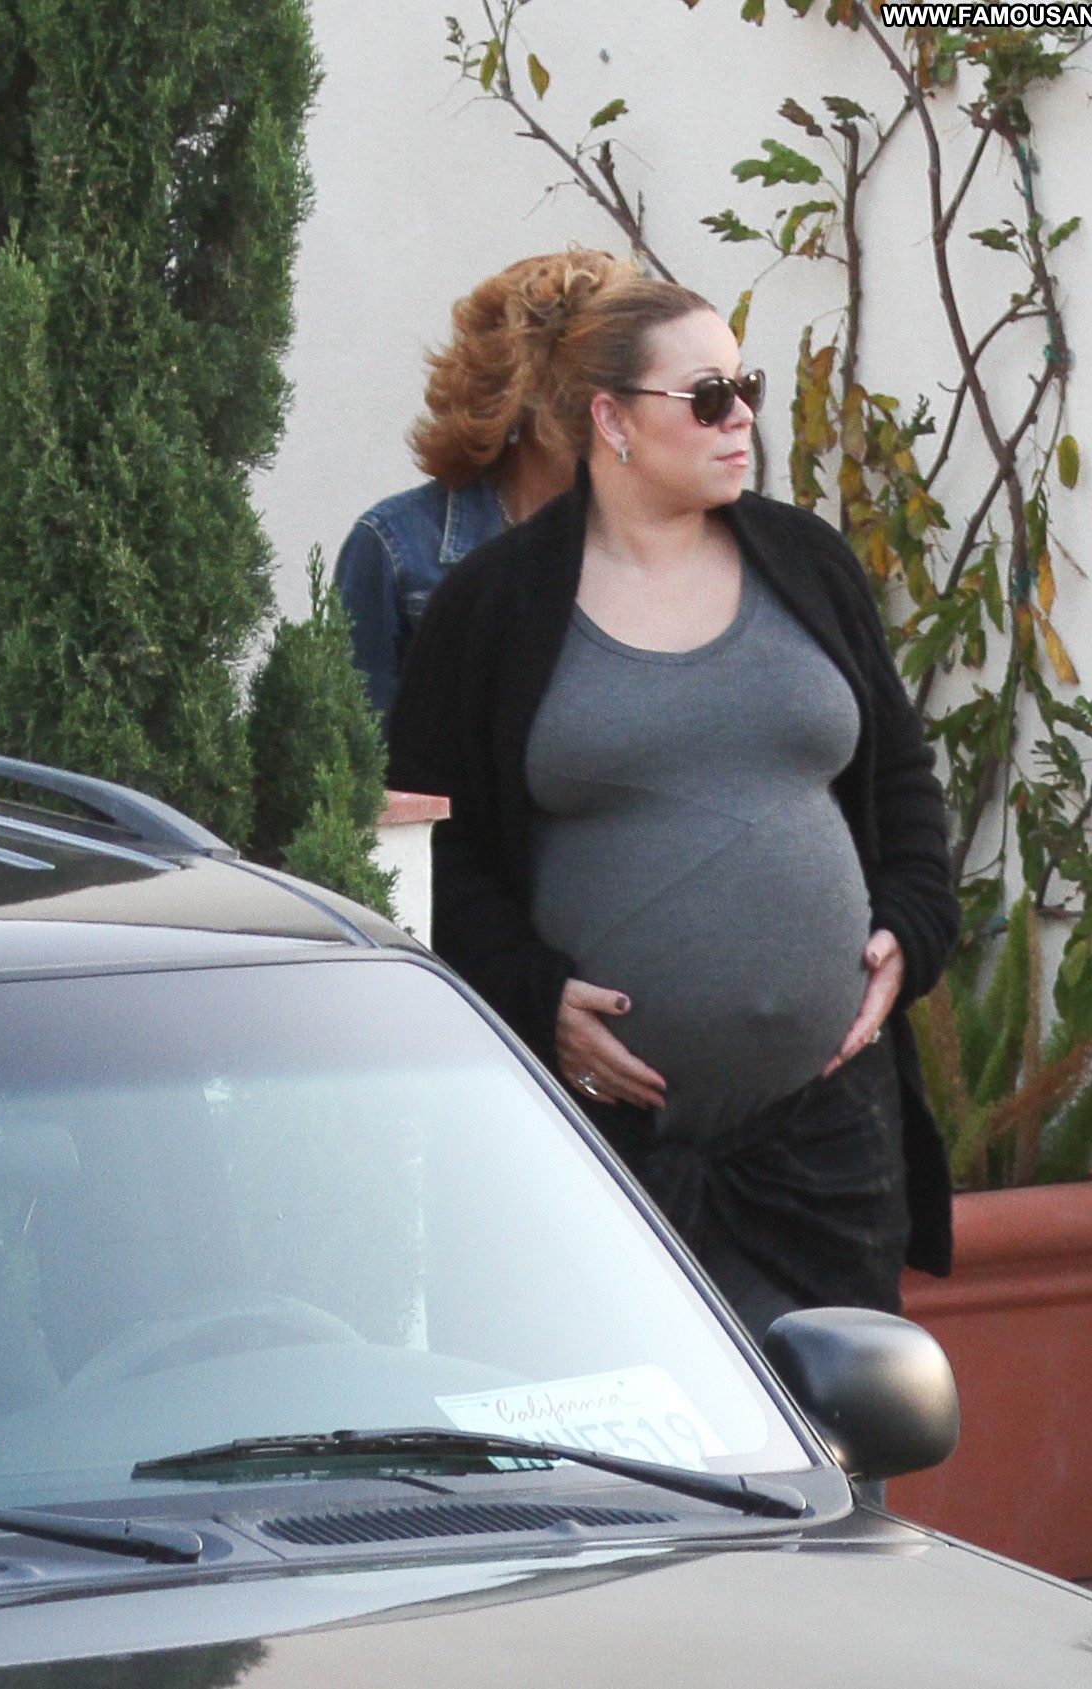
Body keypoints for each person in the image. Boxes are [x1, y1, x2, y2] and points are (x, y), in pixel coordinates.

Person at [387, 278, 959, 1338]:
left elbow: (899, 777)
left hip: (824, 1151)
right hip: (598, 1151)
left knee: (833, 1426)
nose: (740, 418)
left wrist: (911, 927)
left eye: (746, 388)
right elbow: (432, 846)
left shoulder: (806, 565)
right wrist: (531, 994)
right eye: (705, 397)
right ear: (609, 418)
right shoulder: (496, 606)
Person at [333, 248, 629, 713]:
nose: (617, 418)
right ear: (522, 395)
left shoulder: (645, 543)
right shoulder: (397, 546)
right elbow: (353, 745)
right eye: (591, 392)